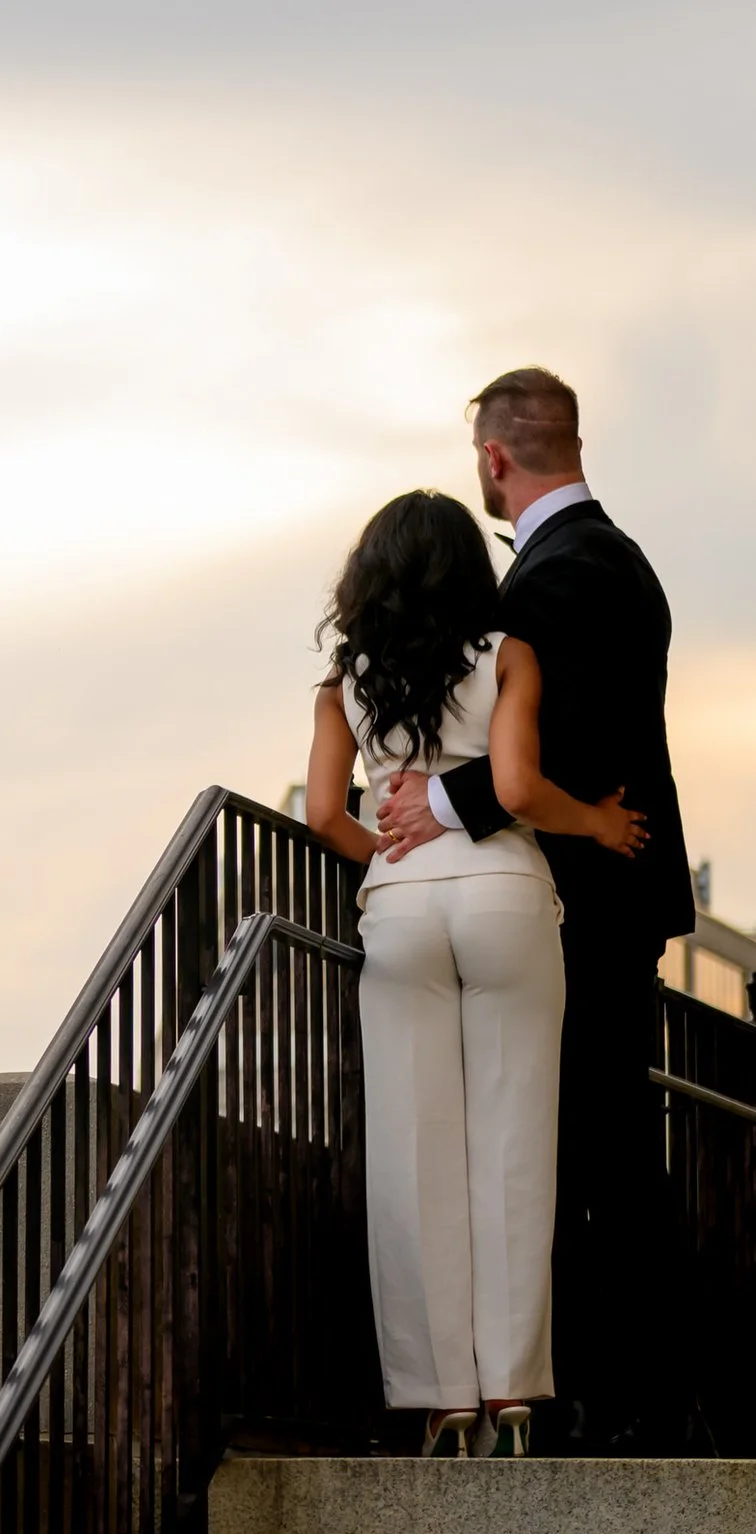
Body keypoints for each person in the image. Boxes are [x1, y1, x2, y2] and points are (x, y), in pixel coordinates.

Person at [376, 369, 698, 1455]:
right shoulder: (606, 559)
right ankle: (603, 1395)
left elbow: (563, 744)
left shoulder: (565, 576)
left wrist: (439, 798)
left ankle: (625, 1401)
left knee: (593, 1145)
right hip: (597, 890)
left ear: (495, 458)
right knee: (591, 1140)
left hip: (590, 900)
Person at [304, 489, 643, 1457]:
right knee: (512, 1142)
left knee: (414, 1157)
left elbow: (327, 814)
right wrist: (599, 822)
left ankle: (439, 1399)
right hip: (502, 896)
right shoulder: (509, 656)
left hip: (403, 908)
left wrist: (391, 843)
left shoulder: (344, 684)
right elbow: (515, 789)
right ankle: (513, 1396)